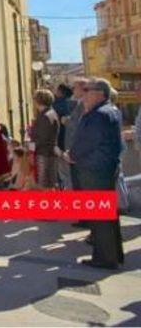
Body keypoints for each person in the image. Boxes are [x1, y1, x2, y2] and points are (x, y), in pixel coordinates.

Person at [66, 78, 125, 269]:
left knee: (99, 218)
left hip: (94, 170)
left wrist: (71, 155)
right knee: (108, 216)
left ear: (99, 93)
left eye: (86, 90)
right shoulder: (110, 110)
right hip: (104, 169)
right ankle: (114, 255)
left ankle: (104, 258)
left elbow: (87, 142)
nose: (83, 95)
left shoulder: (98, 115)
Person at [31, 89, 60, 189]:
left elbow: (42, 138)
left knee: (44, 184)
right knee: (50, 184)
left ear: (38, 101)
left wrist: (29, 148)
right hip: (49, 152)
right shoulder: (51, 113)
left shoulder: (45, 116)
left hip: (44, 153)